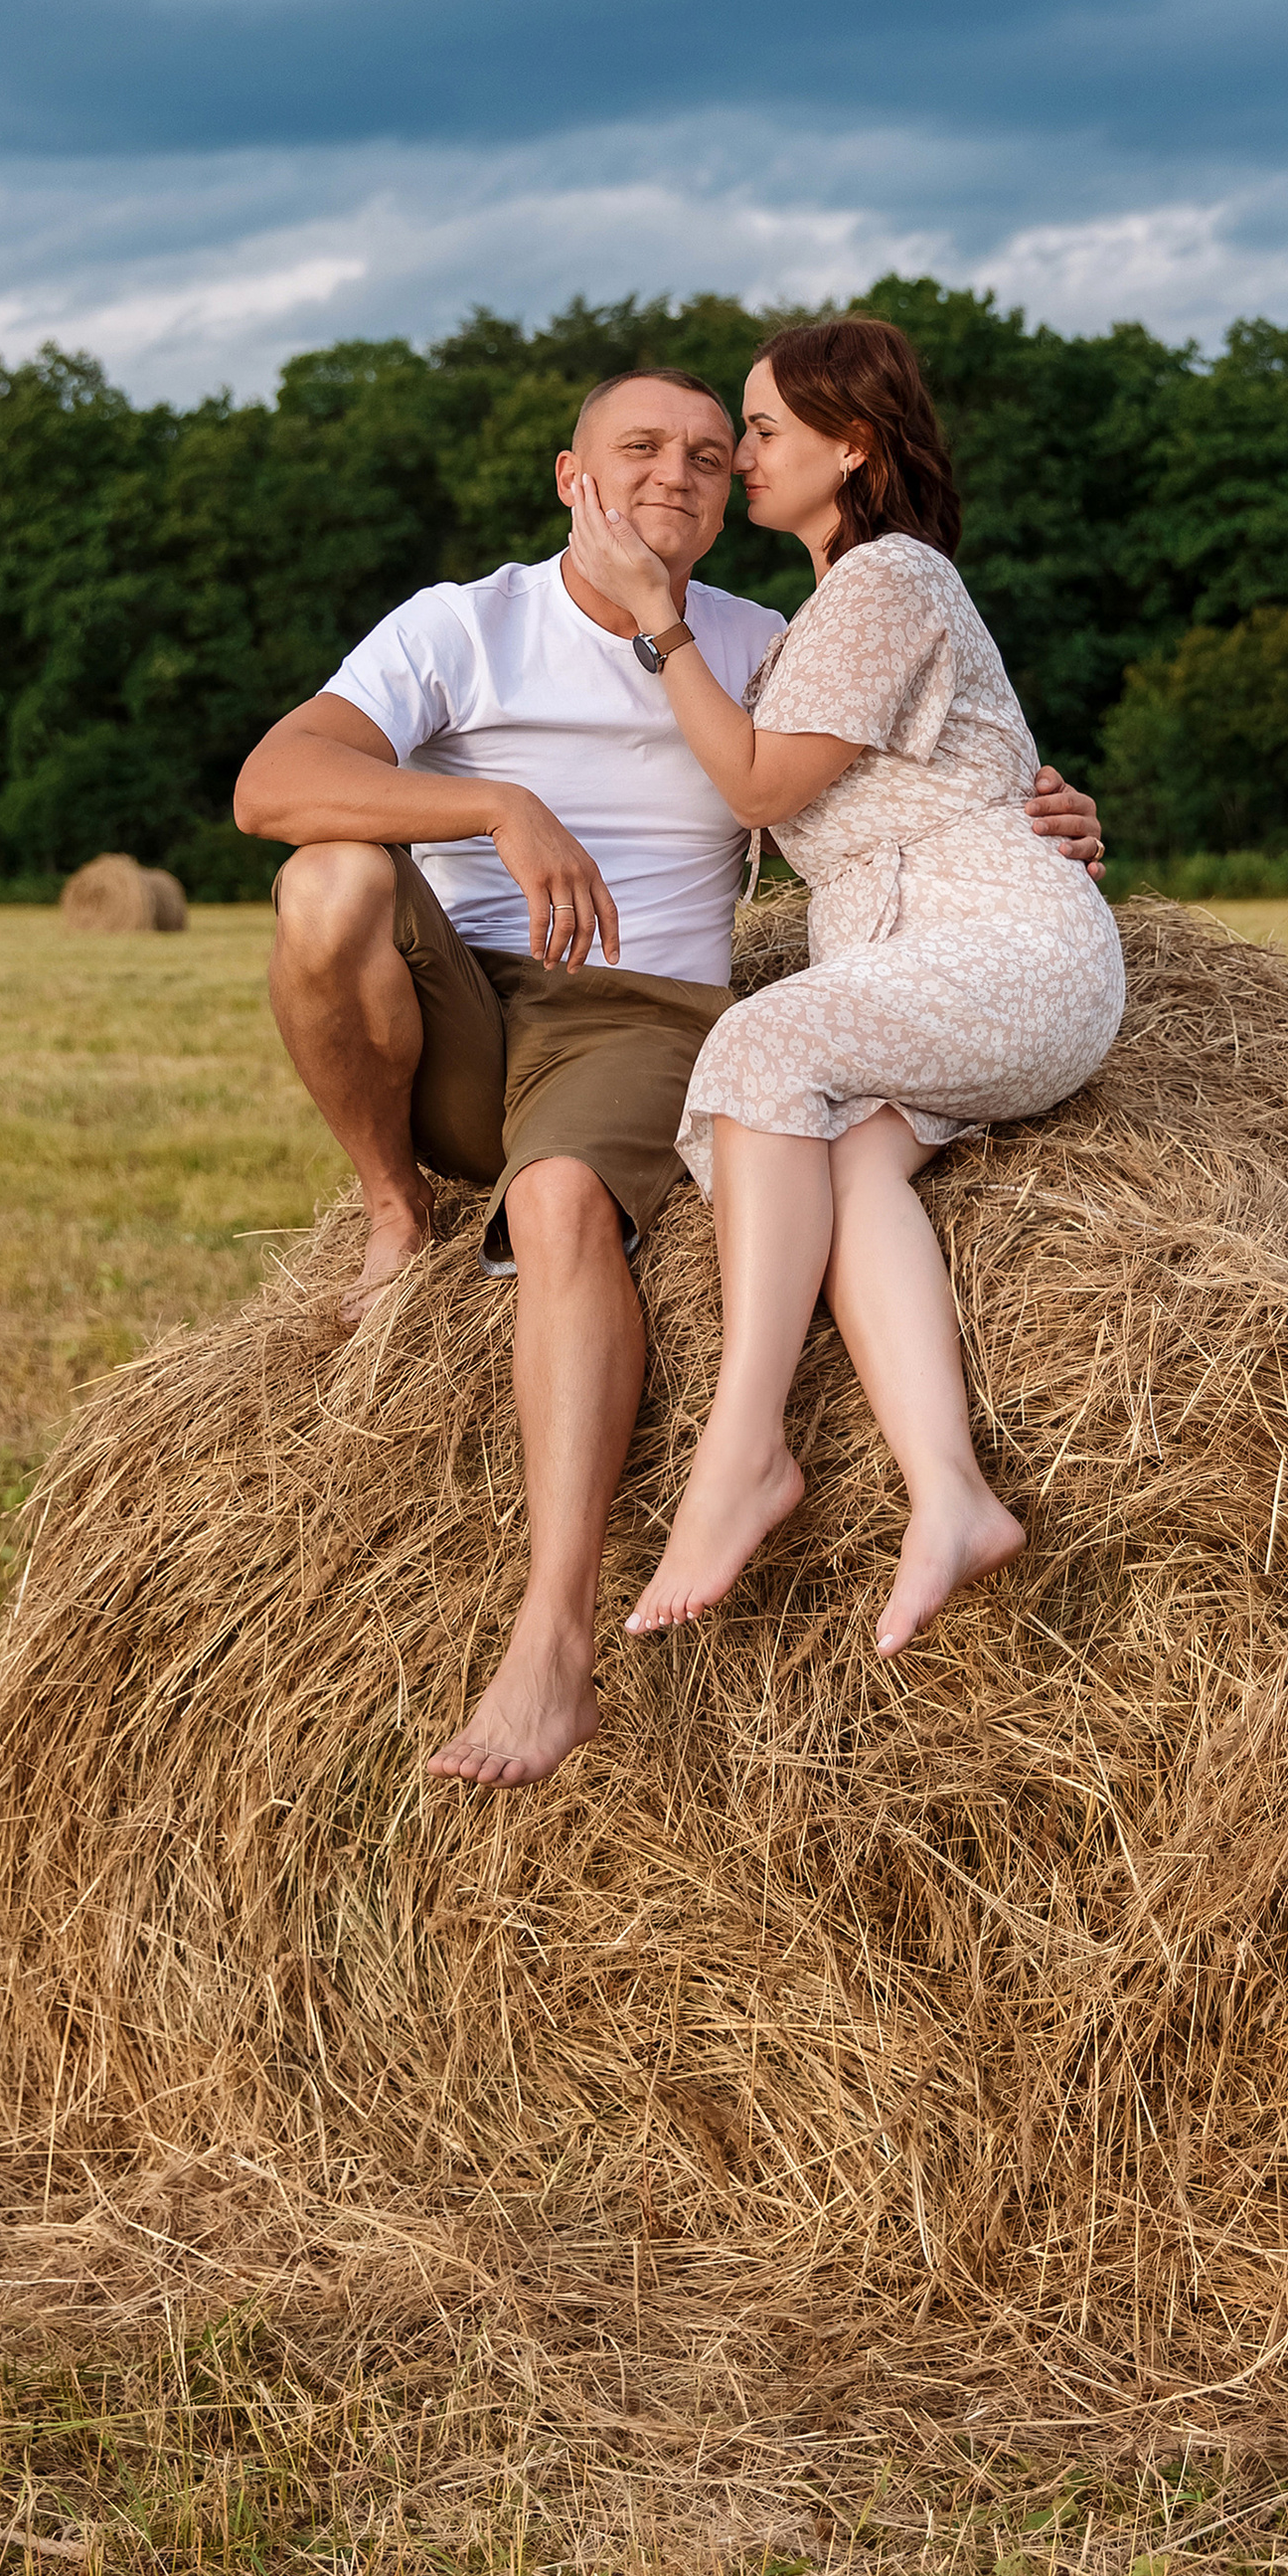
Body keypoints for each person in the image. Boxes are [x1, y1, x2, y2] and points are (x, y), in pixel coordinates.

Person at [231, 366, 1105, 1788]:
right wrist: (496, 808)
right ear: (569, 476)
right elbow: (270, 787)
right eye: (640, 448)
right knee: (327, 881)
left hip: (634, 1019)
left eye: (715, 453)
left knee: (567, 1206)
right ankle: (396, 1209)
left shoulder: (762, 642)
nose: (680, 474)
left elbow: (902, 747)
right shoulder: (467, 625)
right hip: (457, 1007)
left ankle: (553, 1648)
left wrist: (1045, 807)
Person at [564, 318, 1126, 1662]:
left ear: (852, 444)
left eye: (758, 431)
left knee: (763, 1046)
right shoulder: (828, 614)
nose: (735, 457)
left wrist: (657, 623)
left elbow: (758, 784)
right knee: (856, 1168)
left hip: (1002, 943)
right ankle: (951, 1496)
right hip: (926, 960)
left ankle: (743, 1453)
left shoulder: (888, 577)